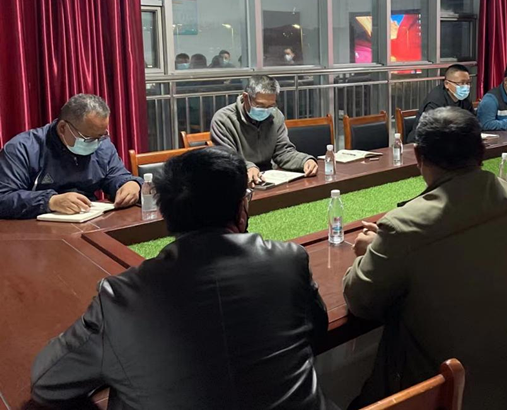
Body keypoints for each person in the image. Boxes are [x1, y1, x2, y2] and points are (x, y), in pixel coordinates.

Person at [29, 147, 331, 410]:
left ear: (165, 213)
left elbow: (45, 382)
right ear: (242, 208)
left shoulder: (120, 297)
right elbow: (317, 330)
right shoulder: (289, 262)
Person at [343, 107, 507, 409]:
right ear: (481, 152)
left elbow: (360, 300)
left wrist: (370, 251)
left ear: (418, 156)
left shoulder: (403, 227)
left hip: (470, 396)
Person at [0, 94, 141, 220]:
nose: (96, 143)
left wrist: (130, 184)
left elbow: (116, 176)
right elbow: (4, 197)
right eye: (88, 139)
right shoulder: (22, 148)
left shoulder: (102, 145)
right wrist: (50, 201)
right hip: (36, 228)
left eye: (101, 136)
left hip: (90, 221)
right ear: (63, 128)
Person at [211, 75, 318, 186]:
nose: (265, 110)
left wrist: (305, 161)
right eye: (260, 105)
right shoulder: (223, 120)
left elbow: (283, 152)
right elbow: (227, 159)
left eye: (271, 105)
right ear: (246, 97)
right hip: (237, 181)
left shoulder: (276, 115)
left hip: (268, 178)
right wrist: (249, 168)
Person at [407, 64, 474, 142]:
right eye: (461, 83)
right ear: (447, 84)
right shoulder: (436, 100)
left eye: (468, 83)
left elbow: (472, 121)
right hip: (423, 142)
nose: (466, 87)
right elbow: (430, 130)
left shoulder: (465, 99)